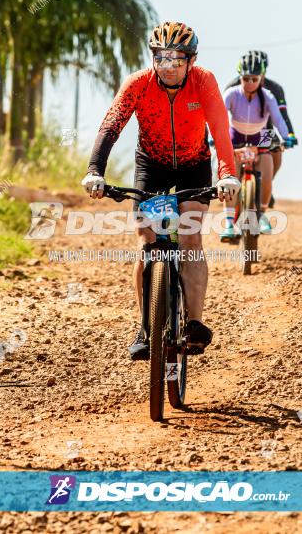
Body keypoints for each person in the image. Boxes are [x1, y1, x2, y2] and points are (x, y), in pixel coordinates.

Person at [81, 21, 240, 360]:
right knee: (148, 239)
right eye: (162, 58)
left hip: (193, 164)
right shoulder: (138, 84)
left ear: (190, 61)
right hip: (151, 164)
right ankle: (144, 327)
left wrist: (227, 174)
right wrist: (95, 170)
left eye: (177, 59)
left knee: (190, 237)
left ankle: (194, 323)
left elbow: (222, 132)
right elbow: (111, 125)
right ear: (153, 58)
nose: (168, 66)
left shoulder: (204, 82)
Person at [220, 51, 290, 240]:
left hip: (264, 132)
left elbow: (281, 118)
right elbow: (218, 116)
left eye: (256, 77)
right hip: (236, 134)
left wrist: (288, 136)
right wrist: (215, 137)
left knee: (270, 164)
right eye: (246, 78)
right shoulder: (232, 89)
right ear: (240, 76)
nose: (250, 82)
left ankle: (263, 201)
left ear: (263, 73)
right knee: (228, 174)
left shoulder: (273, 90)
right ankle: (229, 220)